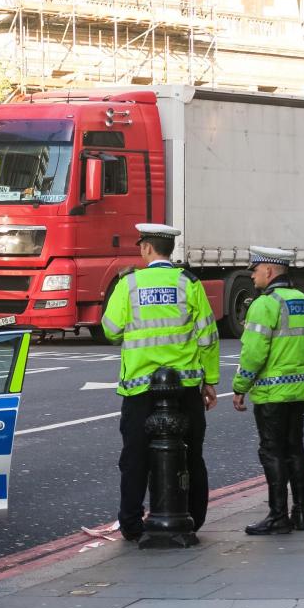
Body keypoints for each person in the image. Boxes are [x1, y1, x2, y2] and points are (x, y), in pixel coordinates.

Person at [102, 223, 220, 541]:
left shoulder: (129, 283)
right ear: (169, 250)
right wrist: (210, 381)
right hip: (185, 387)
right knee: (191, 453)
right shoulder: (189, 284)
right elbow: (208, 336)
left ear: (147, 249)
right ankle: (193, 517)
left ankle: (131, 523)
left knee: (135, 457)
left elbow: (110, 330)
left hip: (141, 388)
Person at [233, 246, 304, 535]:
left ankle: (277, 516)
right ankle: (301, 514)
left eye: (256, 270)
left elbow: (254, 354)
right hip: (298, 392)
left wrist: (240, 387)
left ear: (269, 271)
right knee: (295, 449)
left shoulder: (264, 304)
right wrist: (303, 375)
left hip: (271, 395)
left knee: (271, 451)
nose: (253, 275)